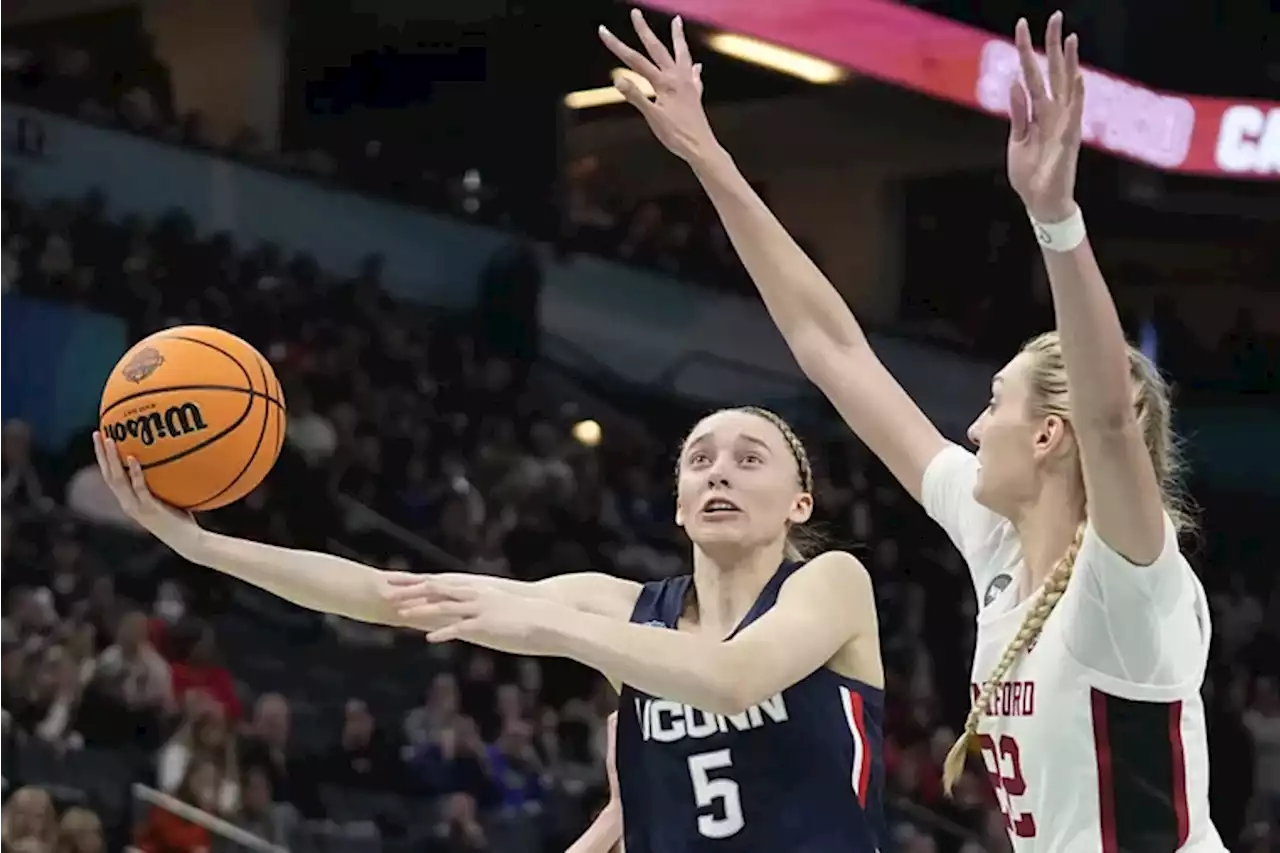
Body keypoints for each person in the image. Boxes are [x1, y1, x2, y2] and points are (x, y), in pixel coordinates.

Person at [594, 6, 1225, 852]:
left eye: (996, 402)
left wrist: (1055, 219)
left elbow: (1109, 420)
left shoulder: (1132, 584)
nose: (971, 423)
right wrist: (709, 157)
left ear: (1048, 436)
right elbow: (833, 349)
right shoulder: (999, 541)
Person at [93, 403, 886, 853]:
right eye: (700, 459)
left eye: (750, 459)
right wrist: (196, 543)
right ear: (678, 504)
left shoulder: (831, 585)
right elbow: (382, 594)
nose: (719, 470)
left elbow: (733, 677)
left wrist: (552, 623)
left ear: (799, 504)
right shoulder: (621, 610)